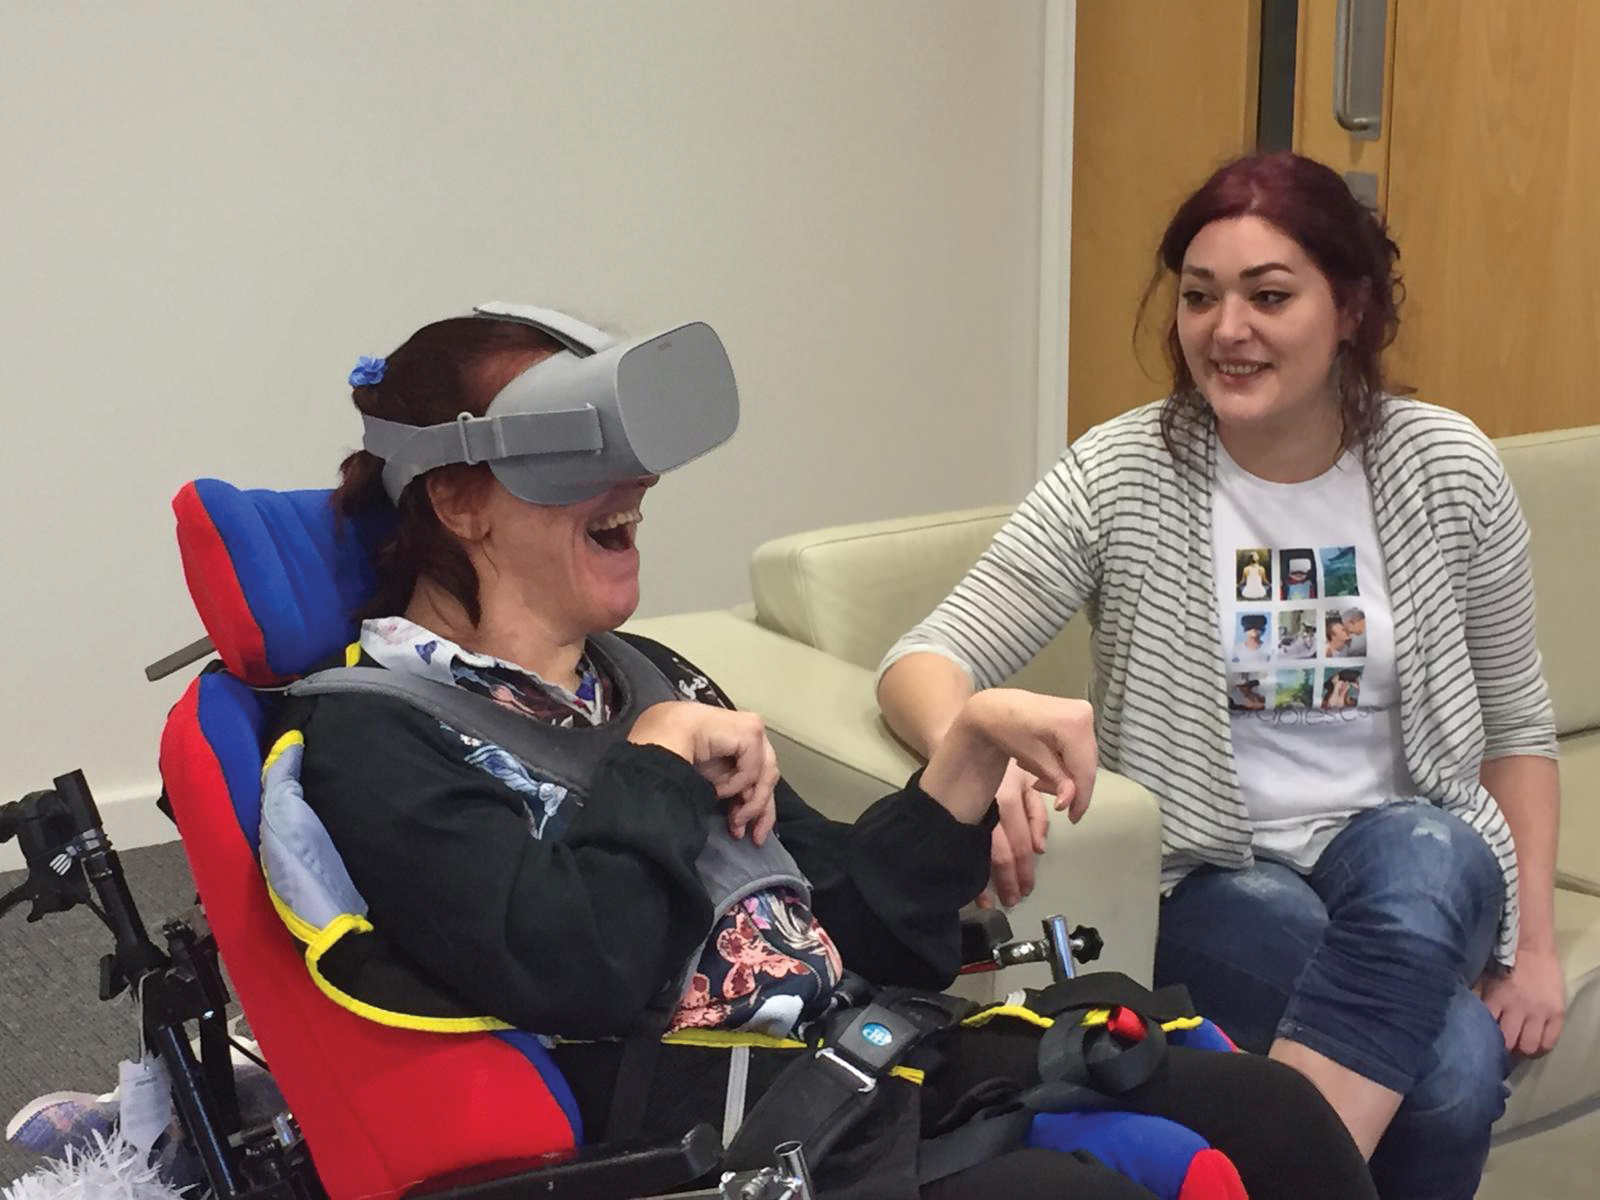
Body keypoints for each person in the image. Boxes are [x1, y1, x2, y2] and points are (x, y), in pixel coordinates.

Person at [270, 307, 1374, 1200]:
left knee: (1271, 1109)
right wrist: (655, 761)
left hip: (868, 1069)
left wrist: (961, 769)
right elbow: (574, 973)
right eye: (572, 456)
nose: (636, 488)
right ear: (459, 501)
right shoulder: (375, 738)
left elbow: (849, 924)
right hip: (707, 1138)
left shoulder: (644, 677)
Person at [876, 152, 1564, 1200]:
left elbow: (1516, 727)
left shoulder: (1447, 467)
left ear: (1351, 310)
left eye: (1268, 296)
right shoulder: (1121, 473)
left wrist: (1535, 950)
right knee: (1455, 1069)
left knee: (1436, 847)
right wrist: (971, 742)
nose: (1226, 329)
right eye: (1200, 296)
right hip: (1211, 877)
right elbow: (923, 659)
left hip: (1411, 871)